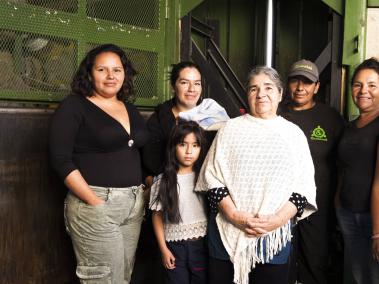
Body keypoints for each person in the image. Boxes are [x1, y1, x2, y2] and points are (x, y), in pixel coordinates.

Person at [195, 66, 317, 284]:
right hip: (226, 234)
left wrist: (276, 220)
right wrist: (234, 215)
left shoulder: (294, 135)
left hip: (272, 237)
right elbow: (212, 179)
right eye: (254, 89)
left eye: (268, 88)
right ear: (247, 95)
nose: (261, 94)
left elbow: (303, 188)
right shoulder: (229, 130)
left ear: (280, 94)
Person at [49, 44, 150, 283]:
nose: (110, 75)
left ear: (125, 74)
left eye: (117, 69)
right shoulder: (74, 106)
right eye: (102, 69)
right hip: (95, 203)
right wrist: (94, 202)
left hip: (133, 205)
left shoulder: (129, 108)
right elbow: (60, 160)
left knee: (122, 278)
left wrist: (146, 186)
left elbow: (140, 151)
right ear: (89, 73)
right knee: (103, 280)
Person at [279, 59, 345, 284]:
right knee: (281, 260)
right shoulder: (277, 115)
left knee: (315, 263)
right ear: (288, 85)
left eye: (307, 83)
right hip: (280, 204)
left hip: (317, 205)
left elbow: (345, 162)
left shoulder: (331, 119)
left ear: (316, 87)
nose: (300, 88)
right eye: (295, 81)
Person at [336, 57, 379, 284]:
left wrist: (377, 231)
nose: (364, 91)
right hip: (348, 214)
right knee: (357, 276)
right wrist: (338, 205)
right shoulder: (350, 127)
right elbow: (344, 168)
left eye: (372, 85)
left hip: (374, 220)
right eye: (358, 84)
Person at [150, 120, 208, 284]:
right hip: (174, 247)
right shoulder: (163, 181)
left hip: (201, 245)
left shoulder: (204, 178)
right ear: (174, 147)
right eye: (183, 144)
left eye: (195, 145)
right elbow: (157, 216)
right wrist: (163, 249)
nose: (189, 151)